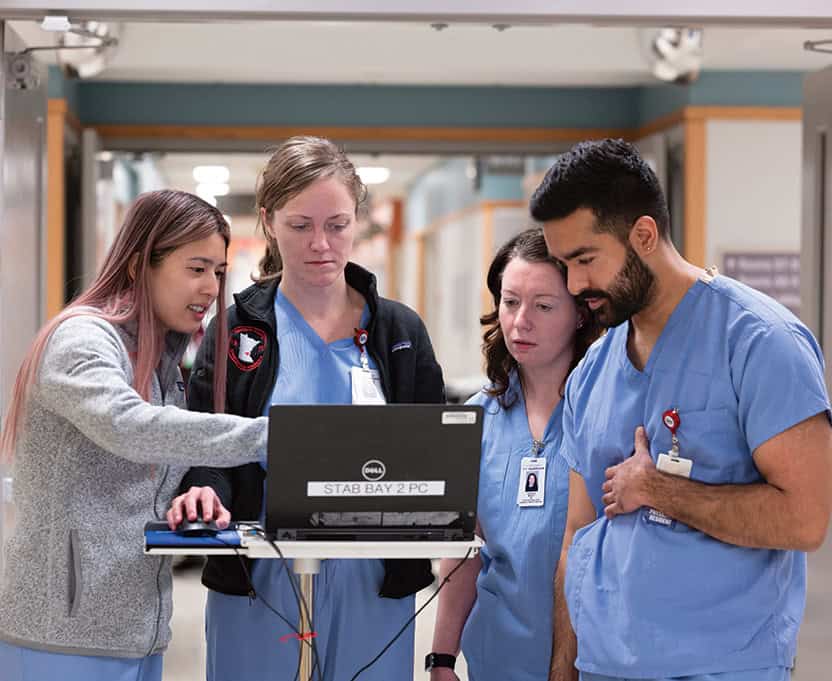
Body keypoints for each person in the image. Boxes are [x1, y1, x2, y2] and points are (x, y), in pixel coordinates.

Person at [529, 138, 832, 681]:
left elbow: (806, 520)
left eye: (585, 260)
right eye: (563, 264)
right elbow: (577, 533)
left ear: (643, 235)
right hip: (605, 666)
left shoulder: (760, 343)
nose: (575, 285)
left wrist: (661, 490)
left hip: (725, 668)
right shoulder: (594, 369)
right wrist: (563, 668)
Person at [168, 136, 445, 681]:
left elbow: (433, 451)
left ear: (357, 221)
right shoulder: (236, 332)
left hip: (373, 577)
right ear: (269, 220)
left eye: (337, 225)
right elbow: (205, 445)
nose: (320, 244)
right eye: (300, 226)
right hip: (261, 574)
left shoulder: (399, 334)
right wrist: (203, 490)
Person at [0, 189, 271, 681]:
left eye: (217, 270)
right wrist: (267, 437)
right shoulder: (82, 340)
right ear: (137, 265)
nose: (211, 287)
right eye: (195, 268)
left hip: (137, 631)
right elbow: (129, 427)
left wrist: (199, 490)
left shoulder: (164, 361)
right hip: (62, 637)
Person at [428, 228, 601, 681]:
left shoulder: (607, 413)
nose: (520, 321)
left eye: (543, 306)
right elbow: (465, 551)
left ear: (581, 314)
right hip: (498, 657)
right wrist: (442, 657)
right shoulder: (476, 419)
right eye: (510, 302)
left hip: (595, 658)